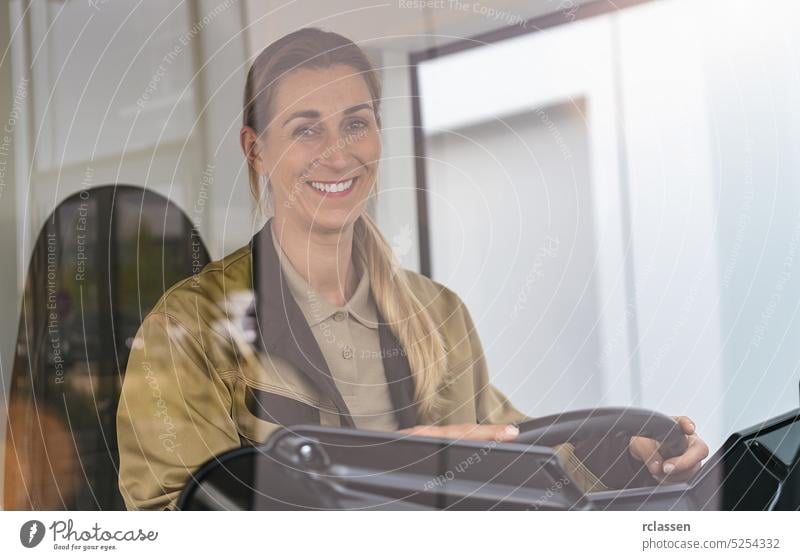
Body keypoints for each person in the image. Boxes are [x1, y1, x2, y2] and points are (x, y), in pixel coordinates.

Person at [116, 27, 708, 511]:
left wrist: (630, 454)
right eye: (305, 129)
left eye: (356, 123)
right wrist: (396, 465)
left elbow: (517, 449)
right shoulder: (186, 330)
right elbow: (180, 520)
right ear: (256, 150)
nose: (338, 153)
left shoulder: (438, 314)